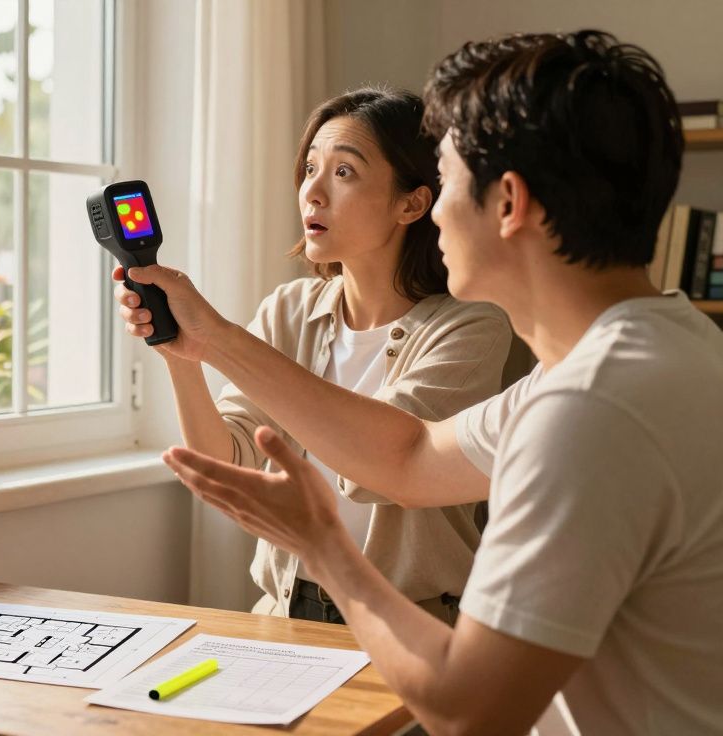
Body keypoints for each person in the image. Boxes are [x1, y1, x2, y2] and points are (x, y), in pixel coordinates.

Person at [130, 30, 723, 734]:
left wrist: (325, 549)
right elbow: (409, 457)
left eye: (447, 180)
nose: (436, 210)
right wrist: (206, 342)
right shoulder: (651, 353)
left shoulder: (592, 409)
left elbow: (468, 711)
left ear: (509, 203)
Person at [114, 87, 517, 625]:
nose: (313, 192)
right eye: (309, 169)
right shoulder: (290, 309)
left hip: (415, 620)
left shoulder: (470, 325)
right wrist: (182, 356)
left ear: (412, 203)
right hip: (284, 613)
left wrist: (220, 339)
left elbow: (384, 468)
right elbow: (227, 463)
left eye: (344, 172)